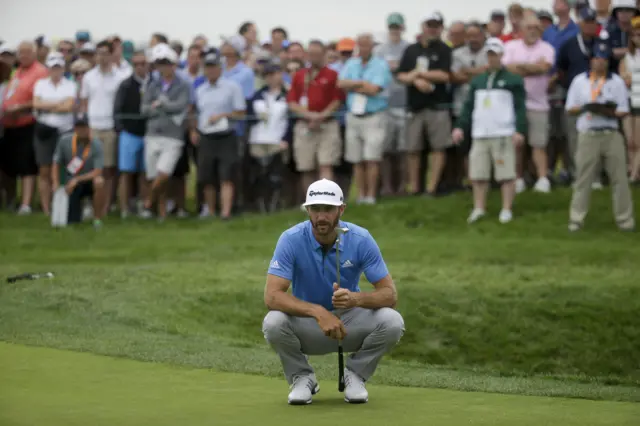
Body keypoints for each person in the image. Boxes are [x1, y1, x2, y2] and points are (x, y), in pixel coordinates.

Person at [262, 178, 404, 405]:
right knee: (273, 322)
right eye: (315, 209)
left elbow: (389, 295)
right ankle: (302, 377)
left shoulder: (361, 239)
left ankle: (355, 374)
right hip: (307, 323)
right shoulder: (290, 239)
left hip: (348, 324)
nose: (321, 217)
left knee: (392, 321)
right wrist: (318, 311)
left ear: (341, 209)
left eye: (328, 209)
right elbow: (272, 296)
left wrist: (356, 299)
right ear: (307, 210)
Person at [452, 38, 528, 224]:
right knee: (478, 174)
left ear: (501, 55)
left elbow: (520, 107)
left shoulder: (513, 80)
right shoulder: (478, 81)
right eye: (489, 54)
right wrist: (460, 126)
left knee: (506, 174)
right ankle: (479, 208)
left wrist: (519, 130)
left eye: (495, 54)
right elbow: (469, 107)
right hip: (480, 133)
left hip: (502, 133)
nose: (492, 58)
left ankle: (506, 209)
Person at [565, 41, 636, 231]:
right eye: (597, 58)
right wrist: (586, 107)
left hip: (610, 132)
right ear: (591, 60)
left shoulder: (616, 81)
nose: (600, 63)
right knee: (583, 177)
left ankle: (625, 219)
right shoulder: (580, 81)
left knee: (619, 178)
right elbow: (570, 108)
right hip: (588, 133)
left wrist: (607, 111)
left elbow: (623, 110)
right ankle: (576, 218)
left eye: (604, 59)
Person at [397, 12, 453, 196]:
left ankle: (431, 187)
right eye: (429, 25)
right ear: (423, 26)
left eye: (436, 25)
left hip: (438, 106)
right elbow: (401, 75)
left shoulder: (445, 49)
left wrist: (419, 75)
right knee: (413, 149)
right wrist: (414, 80)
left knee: (438, 148)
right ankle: (414, 188)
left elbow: (444, 75)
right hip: (415, 106)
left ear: (441, 28)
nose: (432, 29)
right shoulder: (411, 50)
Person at [502, 15, 555, 194]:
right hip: (514, 105)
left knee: (538, 144)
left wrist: (521, 68)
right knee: (517, 144)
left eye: (536, 27)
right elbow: (507, 70)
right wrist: (532, 67)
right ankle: (517, 179)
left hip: (539, 104)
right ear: (521, 30)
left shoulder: (546, 48)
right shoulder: (510, 47)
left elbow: (544, 68)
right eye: (529, 27)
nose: (533, 30)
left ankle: (542, 179)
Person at [191, 48, 246, 220]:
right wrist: (193, 130)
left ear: (220, 68)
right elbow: (195, 112)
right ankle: (211, 211)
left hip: (226, 135)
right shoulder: (200, 90)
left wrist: (222, 115)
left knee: (226, 175)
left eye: (214, 66)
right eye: (208, 67)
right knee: (206, 176)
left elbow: (241, 113)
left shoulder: (232, 87)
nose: (211, 70)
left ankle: (225, 212)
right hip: (206, 136)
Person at [287, 40, 344, 201]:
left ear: (324, 55)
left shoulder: (332, 75)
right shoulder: (299, 76)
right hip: (305, 125)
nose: (314, 58)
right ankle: (312, 201)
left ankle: (328, 200)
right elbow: (292, 102)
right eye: (311, 54)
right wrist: (309, 116)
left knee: (326, 163)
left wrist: (321, 116)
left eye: (317, 55)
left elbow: (337, 100)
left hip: (327, 124)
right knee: (306, 166)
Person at [338, 33, 392, 205]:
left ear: (372, 46)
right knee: (356, 158)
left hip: (373, 116)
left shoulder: (380, 65)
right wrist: (361, 84)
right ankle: (361, 195)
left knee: (372, 157)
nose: (363, 48)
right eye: (360, 45)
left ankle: (371, 195)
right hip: (354, 115)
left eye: (366, 45)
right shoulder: (351, 63)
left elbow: (374, 89)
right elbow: (341, 84)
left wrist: (353, 85)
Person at [140, 43, 191, 221]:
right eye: (160, 64)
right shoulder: (152, 84)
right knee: (153, 175)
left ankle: (148, 202)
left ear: (174, 64)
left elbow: (181, 105)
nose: (164, 67)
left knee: (164, 174)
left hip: (173, 135)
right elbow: (144, 109)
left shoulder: (183, 84)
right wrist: (163, 107)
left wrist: (162, 103)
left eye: (167, 63)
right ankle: (161, 213)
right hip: (153, 133)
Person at [0, 41, 49, 215]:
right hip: (10, 125)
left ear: (34, 54)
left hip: (28, 123)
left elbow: (42, 98)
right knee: (9, 165)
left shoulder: (40, 72)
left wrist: (20, 107)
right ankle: (11, 200)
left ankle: (26, 204)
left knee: (27, 165)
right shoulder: (17, 71)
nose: (23, 56)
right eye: (20, 52)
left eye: (27, 52)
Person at [80, 39, 126, 216]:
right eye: (99, 54)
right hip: (92, 128)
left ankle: (105, 205)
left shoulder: (120, 77)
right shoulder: (88, 77)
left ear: (112, 54)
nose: (102, 57)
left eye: (106, 54)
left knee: (108, 169)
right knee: (90, 169)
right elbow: (84, 103)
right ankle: (89, 203)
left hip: (110, 128)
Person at [32, 52, 76, 215]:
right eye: (52, 68)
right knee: (44, 169)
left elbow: (69, 106)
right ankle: (46, 207)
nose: (55, 71)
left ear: (63, 68)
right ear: (48, 69)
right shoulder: (40, 84)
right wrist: (59, 103)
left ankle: (63, 204)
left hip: (65, 131)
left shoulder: (70, 85)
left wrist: (47, 105)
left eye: (58, 67)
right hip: (45, 131)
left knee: (65, 169)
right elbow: (36, 103)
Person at [375, 13, 410, 197]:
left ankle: (403, 186)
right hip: (385, 104)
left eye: (397, 27)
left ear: (402, 28)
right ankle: (387, 187)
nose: (395, 30)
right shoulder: (380, 50)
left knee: (403, 150)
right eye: (392, 27)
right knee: (386, 150)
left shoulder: (409, 48)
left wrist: (397, 68)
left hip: (404, 103)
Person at [51, 113, 105, 228]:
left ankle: (97, 219)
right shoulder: (64, 140)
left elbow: (98, 171)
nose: (81, 130)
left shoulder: (96, 144)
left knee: (99, 182)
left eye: (84, 127)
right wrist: (55, 183)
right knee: (73, 222)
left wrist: (78, 179)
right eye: (78, 127)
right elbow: (56, 162)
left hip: (87, 180)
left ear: (89, 128)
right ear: (75, 128)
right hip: (70, 181)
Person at [113, 50, 150, 218]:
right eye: (136, 64)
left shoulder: (154, 84)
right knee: (126, 172)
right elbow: (117, 110)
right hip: (129, 133)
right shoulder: (125, 85)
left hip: (148, 133)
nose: (140, 67)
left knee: (144, 173)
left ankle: (143, 206)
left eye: (143, 63)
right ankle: (125, 208)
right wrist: (121, 129)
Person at [619, 15, 640, 182]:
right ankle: (632, 168)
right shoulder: (627, 56)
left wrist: (631, 76)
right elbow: (623, 77)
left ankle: (634, 174)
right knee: (630, 141)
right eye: (635, 34)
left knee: (639, 141)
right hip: (628, 100)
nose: (637, 37)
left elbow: (629, 76)